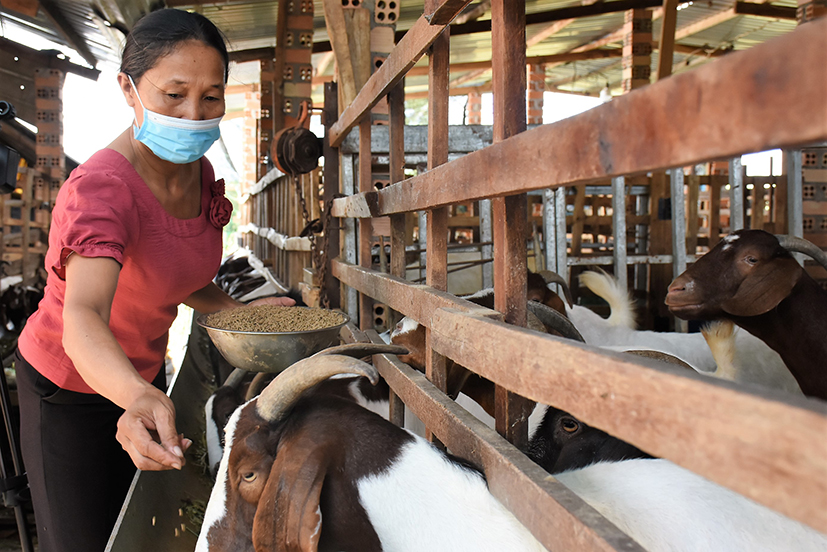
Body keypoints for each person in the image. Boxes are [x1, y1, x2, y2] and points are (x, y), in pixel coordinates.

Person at [14, 9, 294, 551]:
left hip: (140, 380)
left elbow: (176, 277)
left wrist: (248, 318)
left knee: (140, 523)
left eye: (211, 98)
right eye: (174, 94)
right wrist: (135, 397)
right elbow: (84, 315)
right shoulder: (100, 189)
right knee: (84, 540)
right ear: (128, 88)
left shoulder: (200, 175)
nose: (194, 114)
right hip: (69, 384)